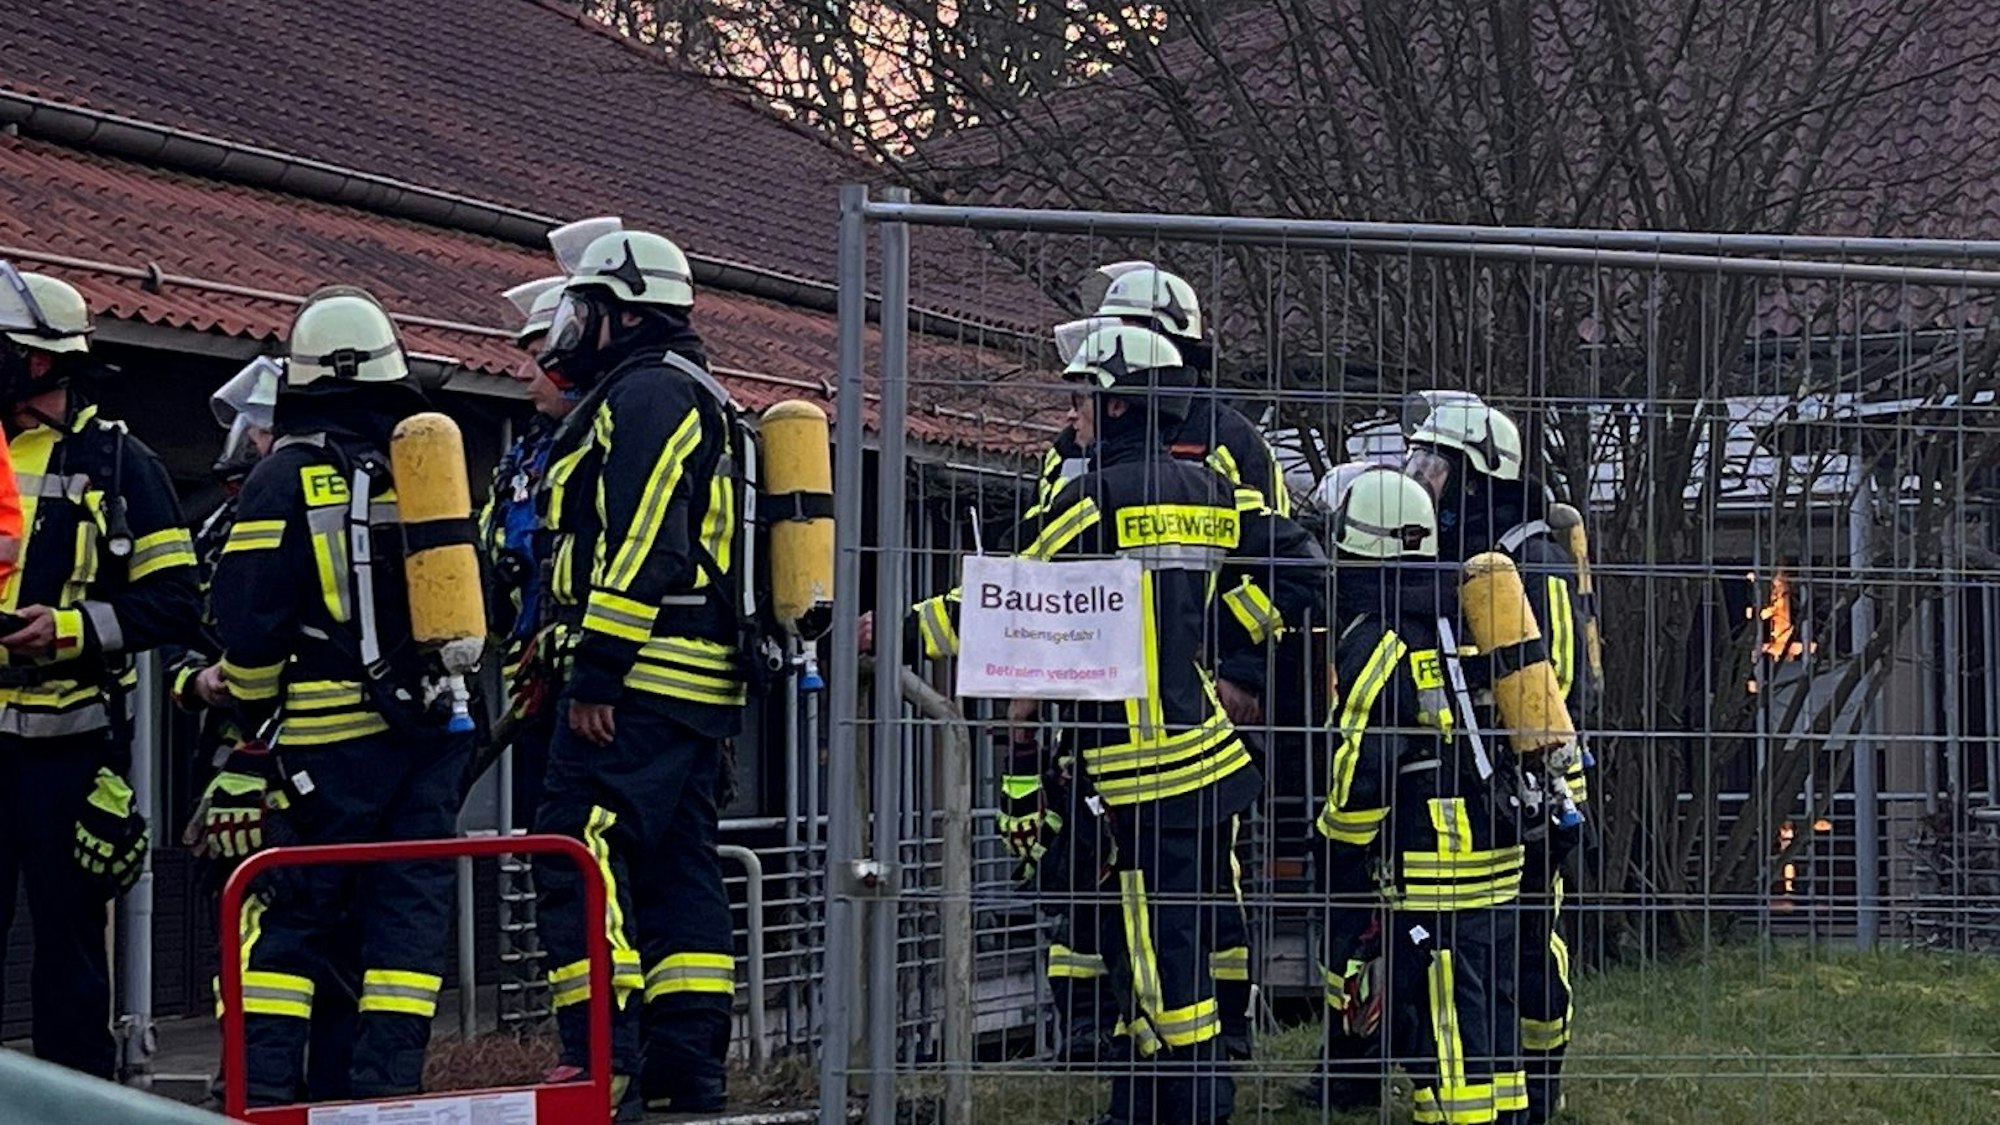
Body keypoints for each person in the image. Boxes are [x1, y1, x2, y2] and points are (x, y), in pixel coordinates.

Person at [904, 323, 1324, 1125]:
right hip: (1202, 755)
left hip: (1138, 771)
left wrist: (895, 628)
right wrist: (1219, 637)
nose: (1074, 418)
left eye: (1083, 399)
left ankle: (1190, 1106)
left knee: (1152, 956)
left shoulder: (1093, 497)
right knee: (1176, 943)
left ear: (1120, 403)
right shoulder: (1209, 493)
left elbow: (1005, 599)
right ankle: (1148, 1105)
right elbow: (1302, 567)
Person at [207, 286, 465, 1104]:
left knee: (295, 916)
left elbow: (247, 624)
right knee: (404, 923)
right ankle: (387, 1096)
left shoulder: (281, 477)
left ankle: (268, 1098)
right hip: (427, 739)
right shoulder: (423, 470)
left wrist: (250, 715)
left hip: (323, 748)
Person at [1039, 262, 1283, 1058]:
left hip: (1196, 699)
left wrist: (1239, 667)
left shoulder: (1234, 443)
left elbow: (1271, 567)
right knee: (1092, 861)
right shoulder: (1073, 448)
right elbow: (1048, 560)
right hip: (1093, 701)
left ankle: (1216, 1028)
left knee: (1204, 872)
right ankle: (1096, 1023)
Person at [529, 228, 741, 1120]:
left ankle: (601, 1058)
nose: (572, 328)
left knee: (576, 844)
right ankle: (684, 1067)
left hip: (643, 676)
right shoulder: (674, 390)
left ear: (621, 315)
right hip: (689, 682)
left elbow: (646, 536)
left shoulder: (652, 392)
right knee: (675, 866)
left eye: (584, 310)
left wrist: (598, 676)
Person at [0, 261, 199, 1078]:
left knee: (71, 952)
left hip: (70, 754)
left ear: (38, 361)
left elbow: (176, 603)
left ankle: (74, 1102)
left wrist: (71, 629)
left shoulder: (123, 467)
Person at [1312, 462, 1530, 1125]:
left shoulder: (1379, 639)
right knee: (1489, 1004)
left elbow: (1361, 757)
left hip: (1433, 862)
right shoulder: (1462, 615)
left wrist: (1338, 844)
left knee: (1441, 1016)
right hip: (1497, 848)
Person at [1405, 393, 1593, 1124]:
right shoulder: (1465, 561)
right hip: (1486, 789)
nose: (1421, 478)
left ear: (1478, 479)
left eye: (1436, 466)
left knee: (1527, 949)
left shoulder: (1532, 560)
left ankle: (1540, 1087)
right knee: (1490, 949)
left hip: (1538, 792)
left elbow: (1561, 686)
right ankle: (1506, 1087)